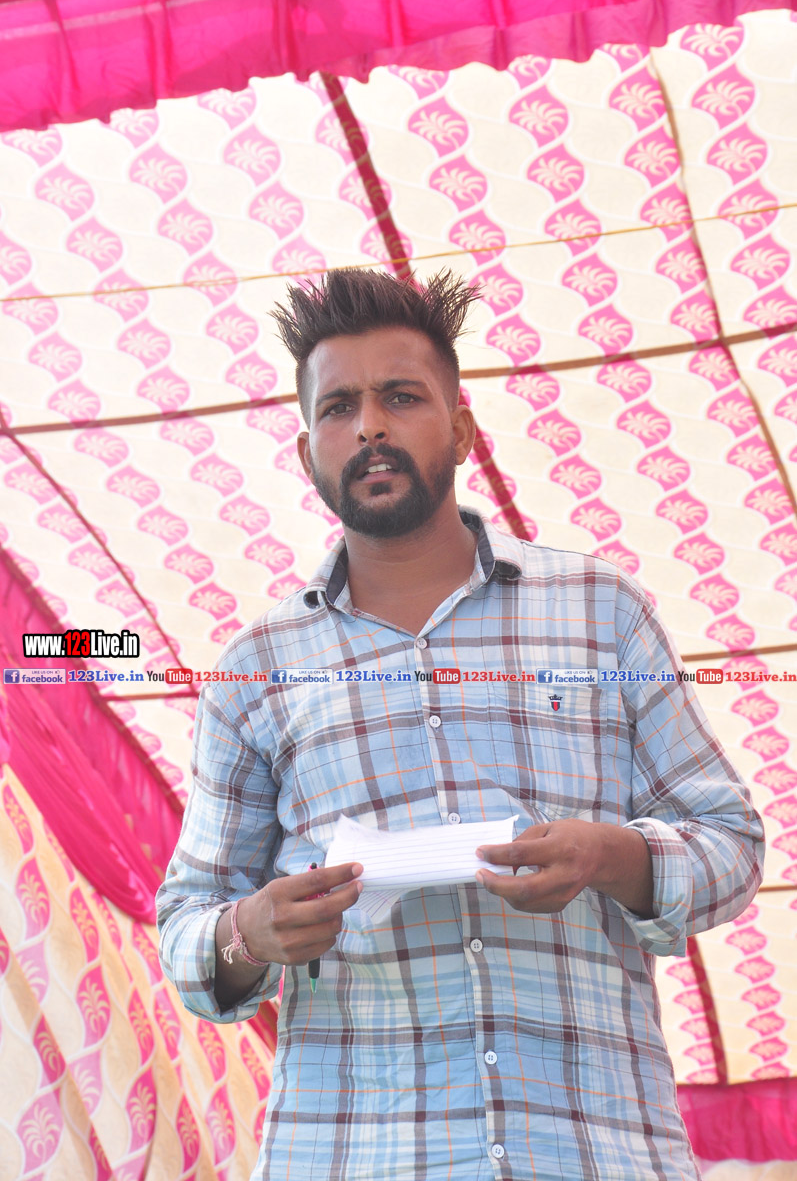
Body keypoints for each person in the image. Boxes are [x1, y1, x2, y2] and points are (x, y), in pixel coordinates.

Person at [156, 268, 764, 1181]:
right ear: (308, 450)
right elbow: (187, 930)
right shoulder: (255, 669)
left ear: (462, 429)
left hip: (592, 1151)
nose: (369, 427)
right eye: (339, 408)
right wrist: (251, 933)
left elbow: (731, 844)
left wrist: (609, 856)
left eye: (401, 397)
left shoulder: (600, 612)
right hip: (353, 1154)